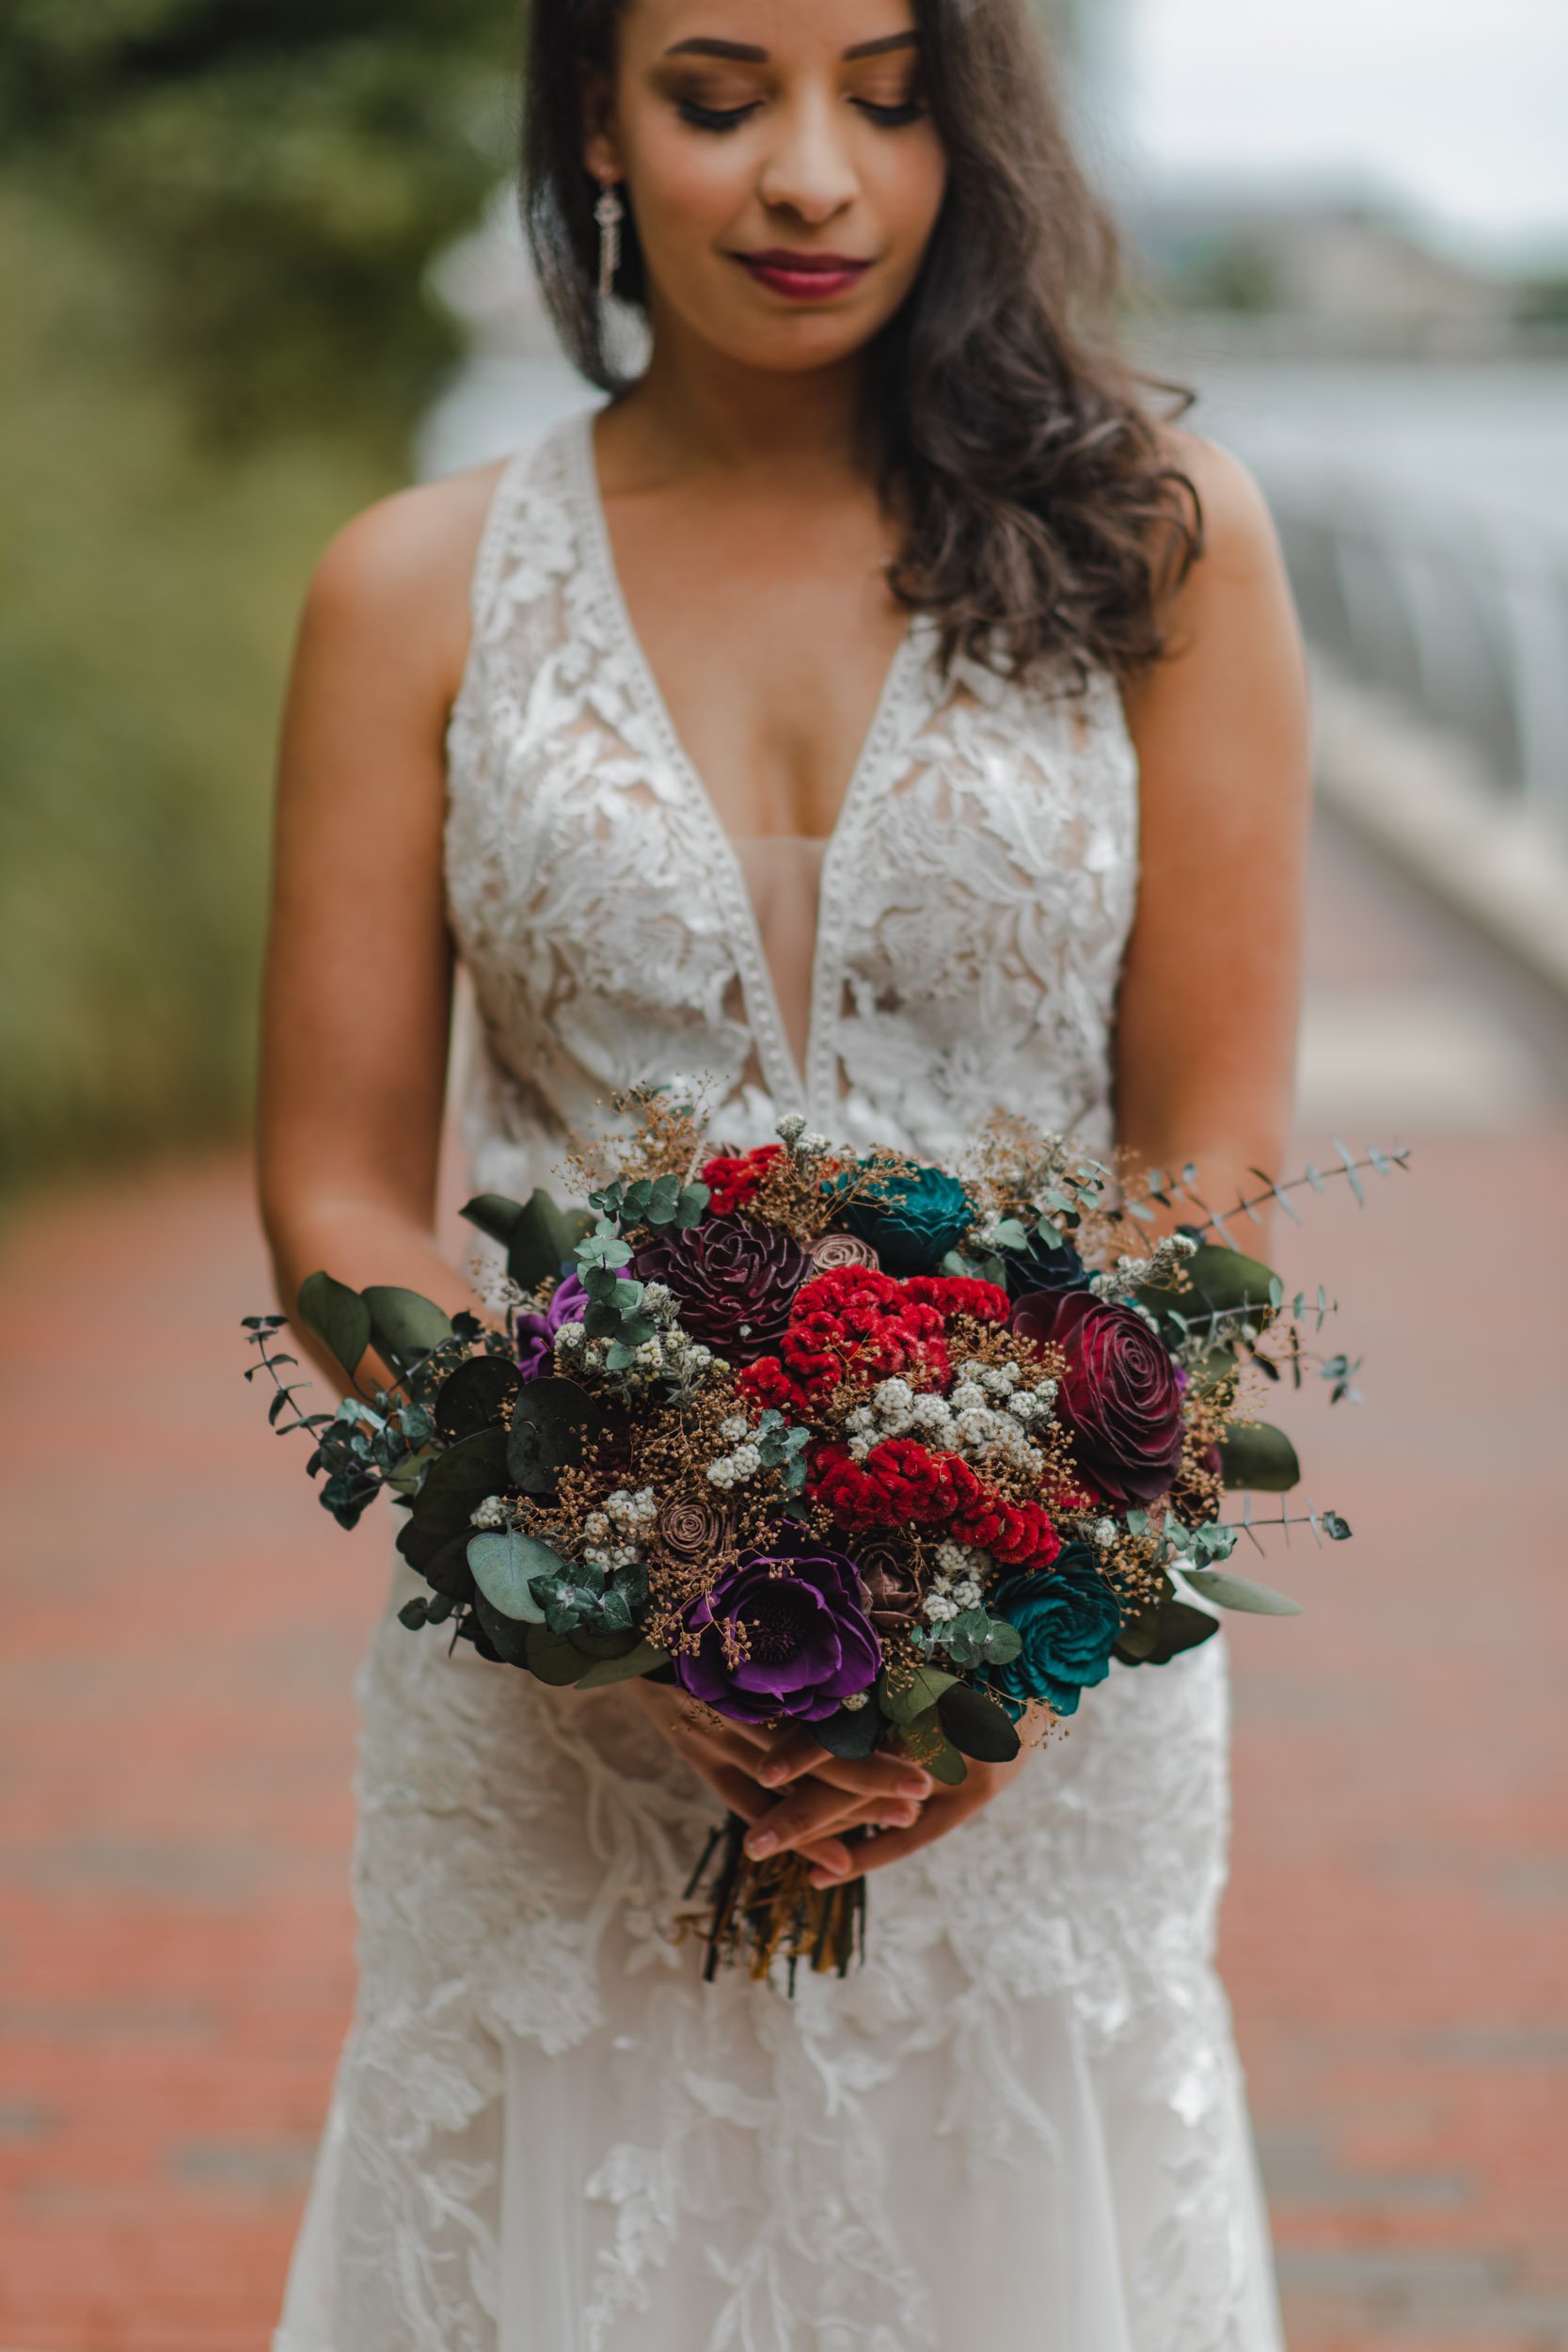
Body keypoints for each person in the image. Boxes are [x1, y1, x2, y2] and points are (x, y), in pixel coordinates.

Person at [258, 0, 1308, 2343]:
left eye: (890, 93)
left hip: (1050, 1678)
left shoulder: (1163, 543)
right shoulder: (412, 589)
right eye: (721, 97)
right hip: (554, 1696)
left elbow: (1210, 1141)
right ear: (603, 133)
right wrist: (608, 1578)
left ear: (976, 129)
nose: (811, 174)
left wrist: (997, 1643)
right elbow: (336, 1197)